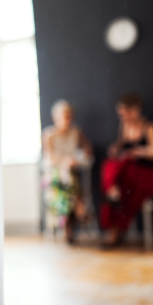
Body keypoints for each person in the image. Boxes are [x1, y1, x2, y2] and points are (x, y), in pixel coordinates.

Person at [99, 93, 153, 248]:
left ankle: (113, 194)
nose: (123, 117)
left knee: (123, 172)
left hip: (147, 173)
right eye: (121, 114)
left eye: (126, 113)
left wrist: (136, 152)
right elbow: (121, 145)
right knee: (110, 163)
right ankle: (113, 192)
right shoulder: (124, 126)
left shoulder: (150, 127)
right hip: (128, 172)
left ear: (136, 110)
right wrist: (116, 148)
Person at [41, 100, 93, 243]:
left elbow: (88, 149)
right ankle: (80, 208)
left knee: (69, 177)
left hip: (70, 176)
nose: (67, 120)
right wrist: (66, 161)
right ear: (55, 118)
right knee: (65, 177)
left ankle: (68, 229)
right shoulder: (49, 134)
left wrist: (80, 157)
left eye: (69, 117)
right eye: (64, 117)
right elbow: (49, 158)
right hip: (54, 177)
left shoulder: (76, 132)